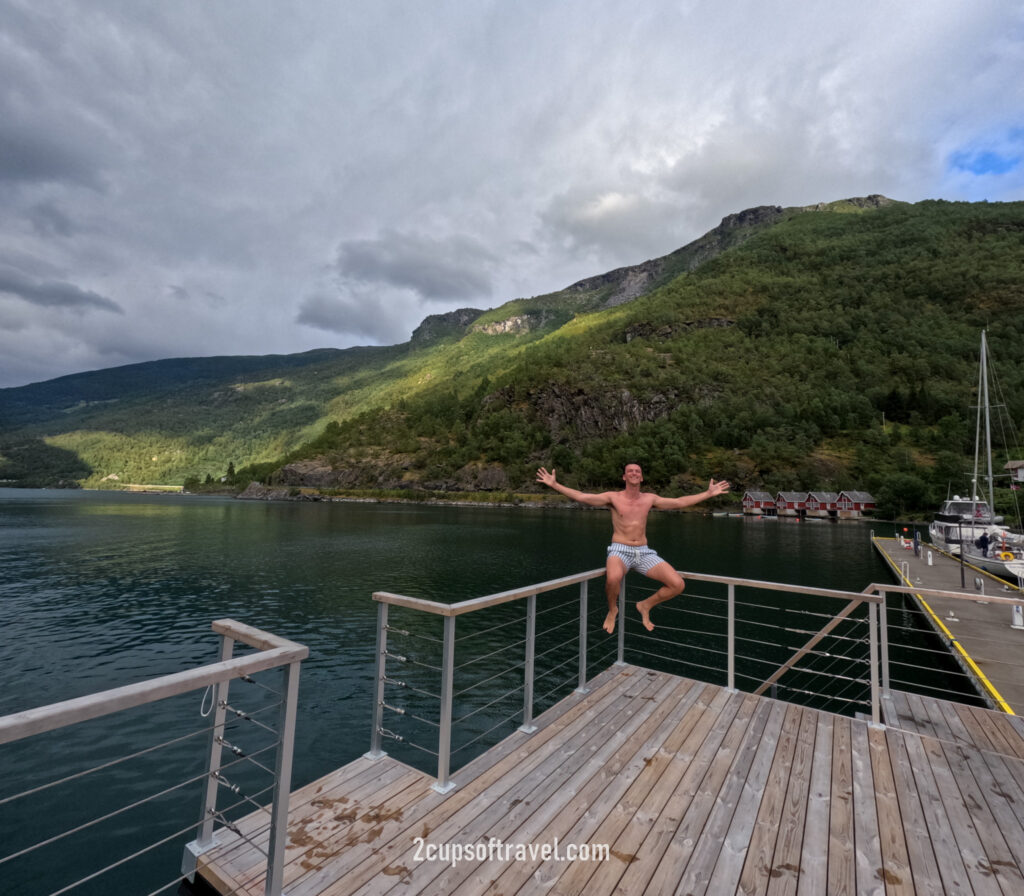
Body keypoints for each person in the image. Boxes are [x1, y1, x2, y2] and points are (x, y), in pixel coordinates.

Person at [536, 463, 731, 633]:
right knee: (613, 578)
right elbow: (582, 496)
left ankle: (645, 605)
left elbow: (679, 502)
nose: (634, 473)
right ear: (624, 476)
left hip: (644, 552)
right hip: (620, 550)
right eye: (630, 471)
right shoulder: (613, 497)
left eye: (637, 471)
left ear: (642, 477)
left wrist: (708, 493)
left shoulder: (649, 499)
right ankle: (613, 609)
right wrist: (554, 484)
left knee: (677, 584)